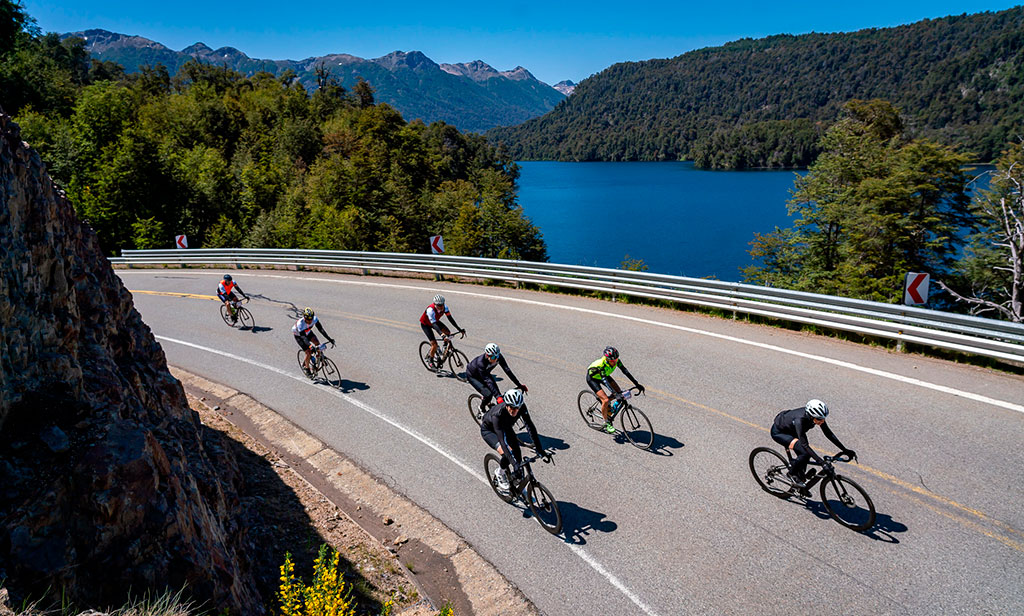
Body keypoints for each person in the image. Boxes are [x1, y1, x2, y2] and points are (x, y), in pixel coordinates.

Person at [771, 399, 857, 488]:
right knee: (804, 452)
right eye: (820, 419)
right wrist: (822, 463)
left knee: (805, 455)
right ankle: (792, 473)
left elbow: (828, 433)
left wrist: (845, 450)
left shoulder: (817, 417)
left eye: (823, 418)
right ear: (811, 416)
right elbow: (805, 445)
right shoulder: (799, 420)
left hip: (793, 431)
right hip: (780, 433)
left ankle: (800, 476)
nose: (822, 421)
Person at [479, 388, 549, 493]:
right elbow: (502, 442)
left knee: (517, 451)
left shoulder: (521, 408)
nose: (515, 411)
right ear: (506, 405)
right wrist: (514, 464)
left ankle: (517, 484)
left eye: (517, 408)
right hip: (490, 431)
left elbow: (530, 427)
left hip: (506, 427)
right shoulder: (497, 415)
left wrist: (540, 449)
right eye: (512, 408)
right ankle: (500, 472)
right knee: (507, 452)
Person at [586, 346, 645, 434]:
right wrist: (614, 393)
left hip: (605, 375)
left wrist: (637, 384)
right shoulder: (601, 365)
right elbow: (605, 381)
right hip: (593, 379)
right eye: (612, 361)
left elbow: (625, 371)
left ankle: (609, 409)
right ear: (607, 359)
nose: (615, 362)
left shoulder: (616, 361)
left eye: (616, 360)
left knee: (619, 393)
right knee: (605, 400)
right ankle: (607, 422)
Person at [467, 343, 528, 414]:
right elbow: (487, 380)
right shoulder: (481, 363)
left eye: (497, 356)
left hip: (485, 374)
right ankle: (481, 407)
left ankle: (490, 404)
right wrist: (497, 396)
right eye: (493, 357)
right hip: (473, 376)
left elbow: (507, 371)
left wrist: (519, 385)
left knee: (497, 394)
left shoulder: (498, 357)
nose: (496, 359)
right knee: (488, 394)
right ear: (487, 355)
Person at [419, 294, 465, 365]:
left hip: (435, 321)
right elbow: (434, 325)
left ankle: (444, 347)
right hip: (426, 324)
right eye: (438, 305)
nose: (441, 307)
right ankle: (430, 360)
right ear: (435, 304)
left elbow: (450, 319)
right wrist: (442, 335)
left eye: (442, 305)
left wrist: (459, 329)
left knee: (448, 333)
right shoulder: (430, 310)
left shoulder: (445, 307)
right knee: (434, 344)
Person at [292, 307, 335, 376]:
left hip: (308, 332)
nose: (310, 321)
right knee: (308, 352)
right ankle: (307, 368)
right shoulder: (300, 324)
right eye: (308, 320)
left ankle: (319, 357)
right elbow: (304, 338)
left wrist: (329, 339)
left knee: (318, 344)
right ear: (304, 318)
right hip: (299, 336)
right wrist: (310, 346)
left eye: (311, 319)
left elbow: (321, 330)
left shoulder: (314, 319)